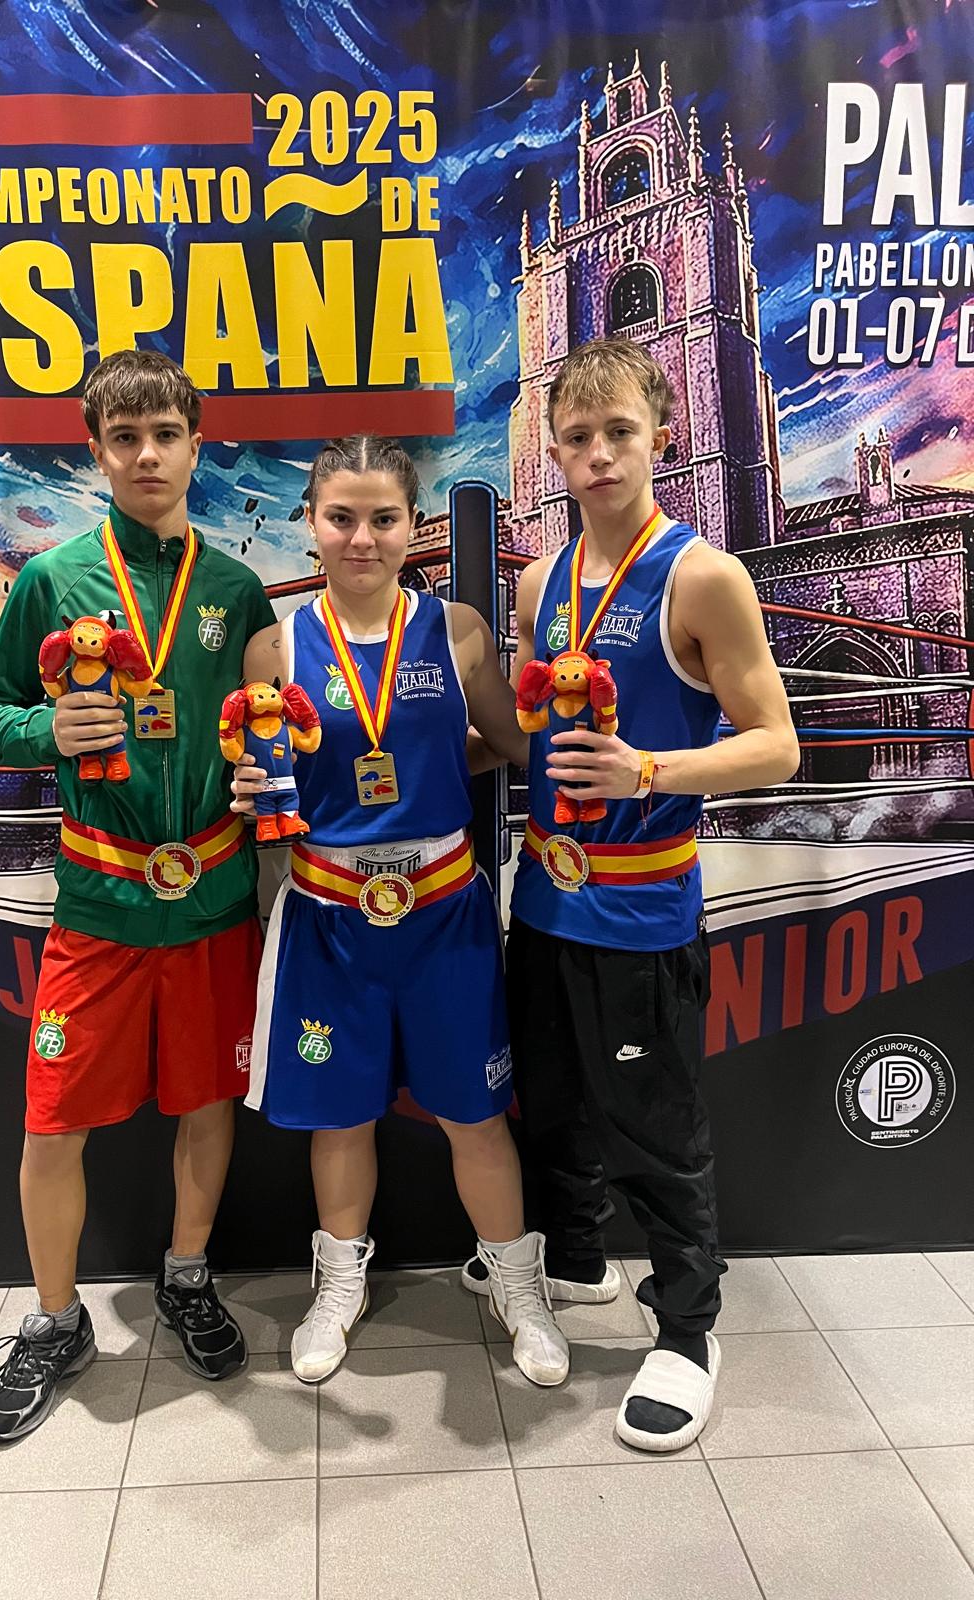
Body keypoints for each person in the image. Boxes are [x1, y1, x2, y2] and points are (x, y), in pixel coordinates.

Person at [469, 337, 799, 1452]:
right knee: (551, 1102)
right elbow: (528, 741)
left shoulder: (704, 574)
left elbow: (776, 746)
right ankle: (571, 1255)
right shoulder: (537, 583)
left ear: (663, 435)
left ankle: (691, 1328)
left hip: (645, 908)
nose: (600, 454)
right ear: (552, 452)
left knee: (656, 1127)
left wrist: (649, 769)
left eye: (620, 432)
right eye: (578, 436)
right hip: (547, 900)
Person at [0, 350, 275, 1442]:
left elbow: (273, 724)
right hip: (98, 901)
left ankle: (186, 1276)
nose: (148, 456)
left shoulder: (235, 591)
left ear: (198, 445)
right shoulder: (51, 580)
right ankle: (56, 1322)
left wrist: (265, 767)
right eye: (124, 439)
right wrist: (46, 726)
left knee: (205, 1100)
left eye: (167, 436)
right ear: (96, 452)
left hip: (212, 895)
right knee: (52, 1121)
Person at [233, 435, 568, 1388]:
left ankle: (517, 1286)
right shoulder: (277, 643)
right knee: (341, 1120)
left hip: (442, 909)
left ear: (413, 527)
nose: (363, 538)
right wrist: (247, 781)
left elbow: (509, 745)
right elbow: (262, 775)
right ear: (311, 524)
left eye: (384, 518)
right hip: (330, 916)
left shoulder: (458, 629)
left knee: (476, 1114)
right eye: (342, 517)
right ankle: (338, 1286)